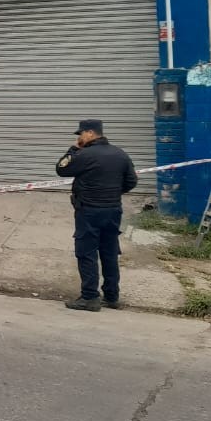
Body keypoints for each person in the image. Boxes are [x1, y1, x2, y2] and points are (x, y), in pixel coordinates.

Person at [56, 119, 138, 312]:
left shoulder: (84, 155)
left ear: (91, 133)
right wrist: (113, 193)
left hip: (89, 211)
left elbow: (61, 169)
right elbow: (131, 181)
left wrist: (73, 149)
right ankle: (112, 296)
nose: (80, 137)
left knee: (86, 252)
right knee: (109, 252)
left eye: (81, 134)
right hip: (113, 210)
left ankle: (90, 297)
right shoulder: (120, 153)